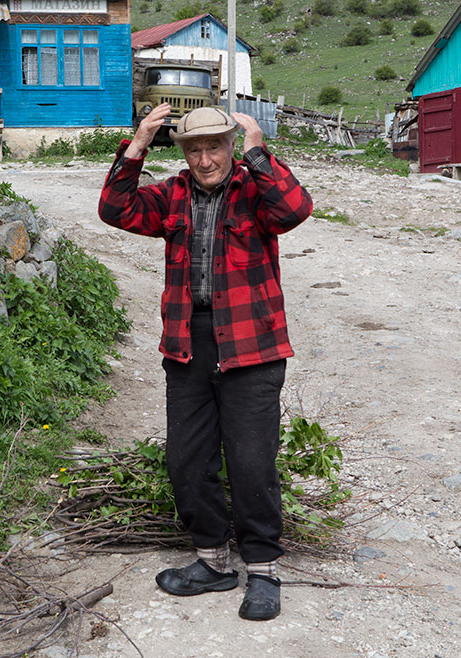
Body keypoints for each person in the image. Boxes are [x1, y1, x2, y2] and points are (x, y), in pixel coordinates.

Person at [97, 104, 313, 620]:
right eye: (195, 149)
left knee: (251, 461)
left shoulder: (253, 189)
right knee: (188, 459)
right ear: (185, 154)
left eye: (214, 147)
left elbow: (295, 209)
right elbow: (114, 209)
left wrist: (260, 151)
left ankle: (262, 570)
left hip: (251, 346)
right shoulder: (170, 195)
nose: (205, 158)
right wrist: (138, 142)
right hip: (188, 341)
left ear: (230, 147)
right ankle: (213, 563)